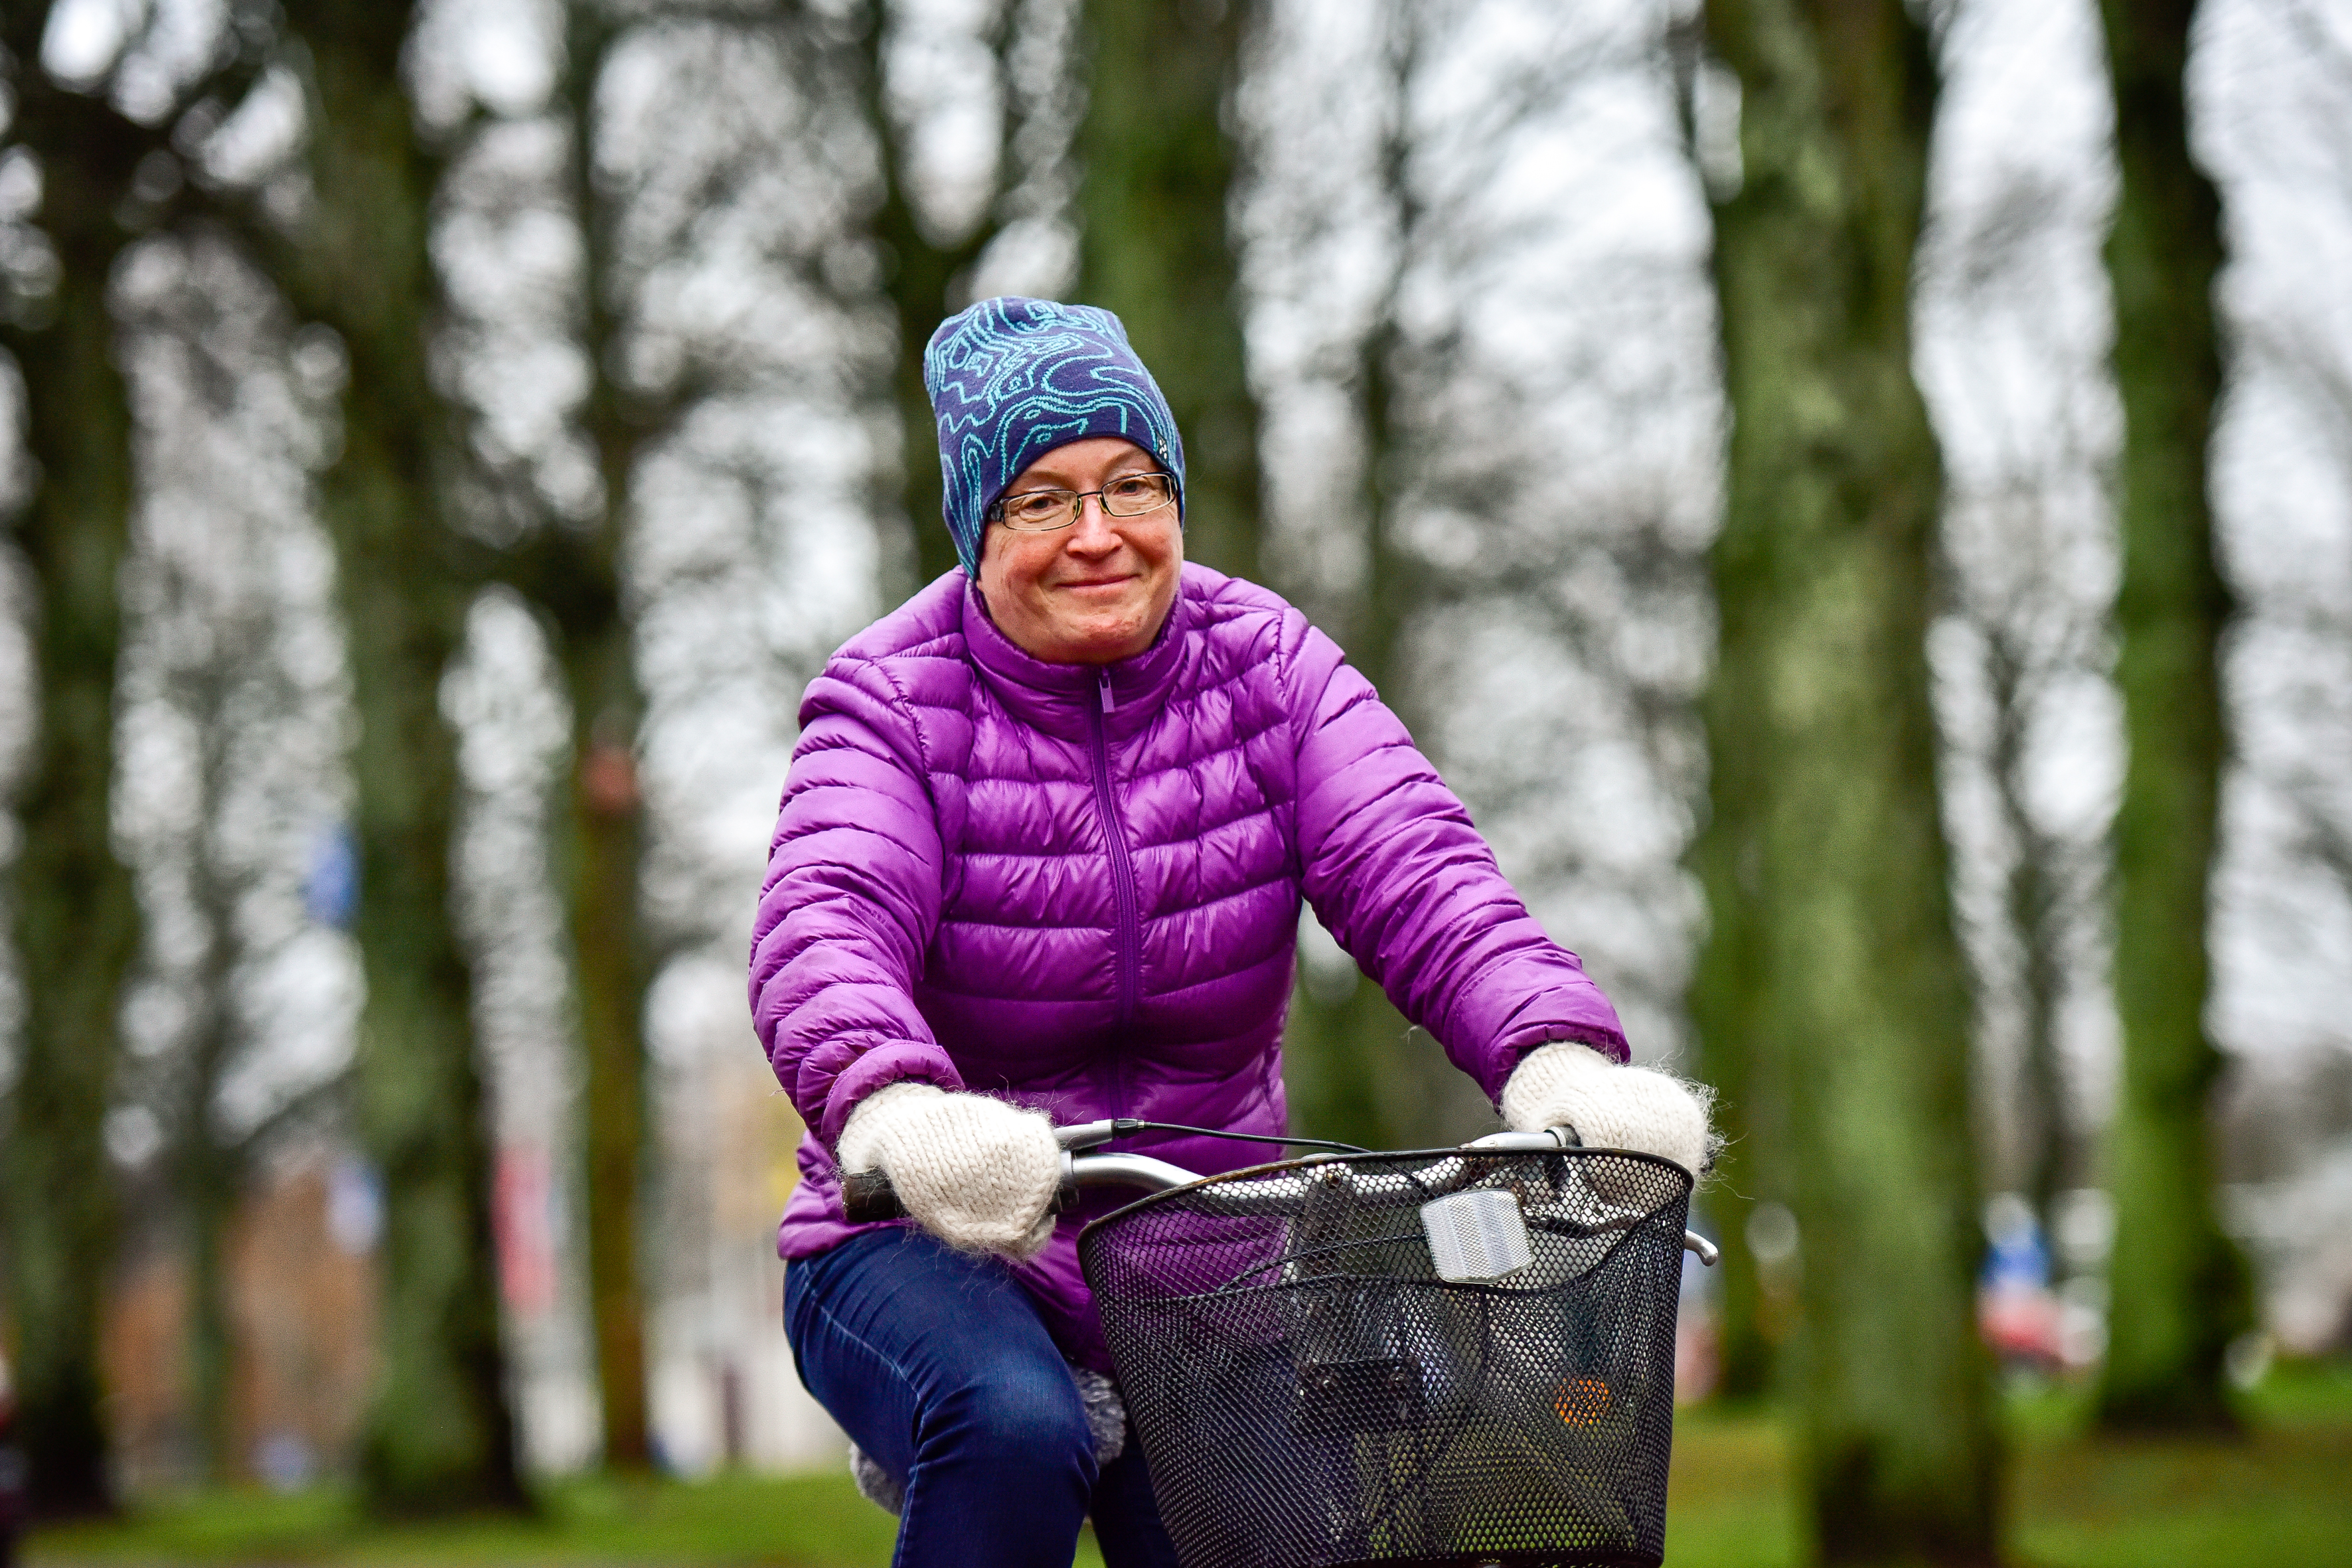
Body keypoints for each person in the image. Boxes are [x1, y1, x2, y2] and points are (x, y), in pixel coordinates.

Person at [750, 296, 1711, 1567]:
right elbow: (828, 921)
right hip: (925, 1233)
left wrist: (1558, 1058)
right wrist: (895, 1107)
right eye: (1041, 499)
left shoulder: (1268, 667)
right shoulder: (890, 702)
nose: (1098, 535)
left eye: (1131, 485)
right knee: (1013, 1424)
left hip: (1197, 1251)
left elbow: (1421, 870)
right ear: (978, 526)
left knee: (1271, 1540)